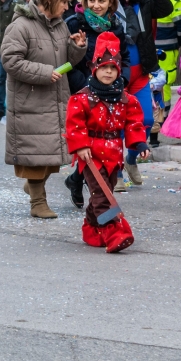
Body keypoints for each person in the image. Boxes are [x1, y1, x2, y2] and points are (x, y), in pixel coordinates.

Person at [1, 0, 87, 219]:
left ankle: (33, 187)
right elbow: (10, 61)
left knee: (53, 155)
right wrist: (43, 72)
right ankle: (38, 202)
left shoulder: (60, 24)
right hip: (30, 101)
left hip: (56, 98)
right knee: (35, 156)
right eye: (64, 1)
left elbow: (66, 62)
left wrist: (77, 47)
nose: (67, 7)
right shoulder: (20, 27)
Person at [65, 32, 151, 253]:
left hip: (114, 155)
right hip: (90, 155)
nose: (108, 72)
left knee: (103, 193)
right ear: (95, 69)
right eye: (104, 68)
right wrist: (81, 145)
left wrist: (139, 144)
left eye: (113, 68)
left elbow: (134, 124)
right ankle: (114, 233)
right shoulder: (82, 98)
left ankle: (92, 228)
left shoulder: (126, 99)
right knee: (103, 196)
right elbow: (75, 124)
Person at [64, 0, 131, 206]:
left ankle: (76, 180)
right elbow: (67, 61)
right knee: (88, 141)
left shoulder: (116, 27)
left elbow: (125, 58)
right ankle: (97, 202)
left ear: (110, 3)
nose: (96, 5)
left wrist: (122, 79)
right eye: (91, 0)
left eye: (101, 0)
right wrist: (86, 85)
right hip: (84, 91)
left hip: (110, 91)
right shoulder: (74, 23)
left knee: (102, 143)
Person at [111, 0, 173, 186]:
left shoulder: (145, 3)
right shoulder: (107, 4)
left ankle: (131, 159)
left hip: (141, 73)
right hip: (115, 75)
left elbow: (166, 9)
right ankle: (116, 173)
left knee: (146, 120)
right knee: (116, 124)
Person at [153, 0, 181, 147]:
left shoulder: (172, 0)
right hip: (149, 51)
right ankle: (154, 124)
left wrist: (173, 44)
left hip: (164, 52)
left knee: (163, 87)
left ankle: (160, 124)